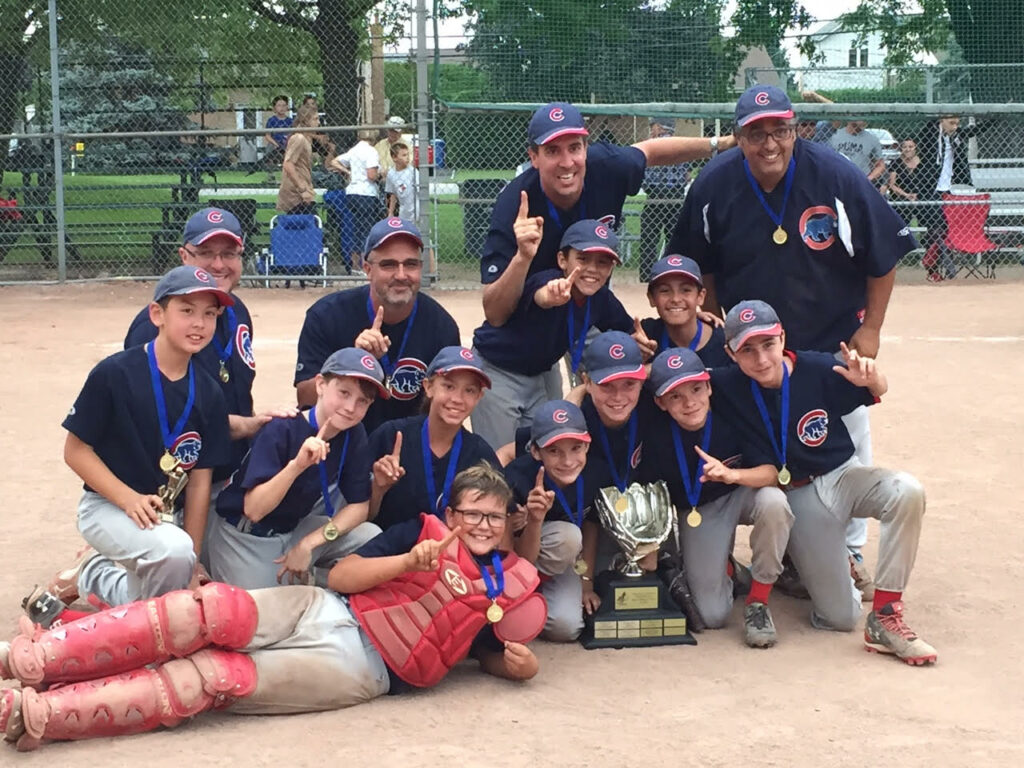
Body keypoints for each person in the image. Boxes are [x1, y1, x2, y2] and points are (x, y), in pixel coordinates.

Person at [0, 464, 545, 752]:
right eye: (473, 513)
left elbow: (485, 652)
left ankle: (46, 716)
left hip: (363, 668)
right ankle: (35, 660)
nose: (482, 525)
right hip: (330, 608)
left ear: (506, 526)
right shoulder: (420, 531)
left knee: (214, 676)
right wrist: (408, 561)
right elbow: (345, 576)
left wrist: (520, 668)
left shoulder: (500, 585)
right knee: (208, 612)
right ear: (453, 512)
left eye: (494, 518)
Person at [668, 84, 917, 589]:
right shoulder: (714, 185)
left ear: (796, 128)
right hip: (751, 353)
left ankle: (845, 552)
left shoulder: (836, 176)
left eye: (779, 130)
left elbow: (884, 255)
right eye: (755, 134)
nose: (769, 144)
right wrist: (713, 322)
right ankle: (766, 554)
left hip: (828, 343)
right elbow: (698, 265)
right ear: (738, 137)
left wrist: (870, 329)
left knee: (844, 447)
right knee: (756, 447)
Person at [710, 300, 934, 665]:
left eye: (768, 344)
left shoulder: (817, 367)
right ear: (730, 353)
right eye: (747, 349)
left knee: (907, 491)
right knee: (839, 618)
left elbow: (879, 387)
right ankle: (818, 561)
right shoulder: (726, 385)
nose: (761, 359)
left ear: (782, 337)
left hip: (843, 475)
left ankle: (886, 616)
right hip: (800, 497)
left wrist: (873, 377)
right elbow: (671, 384)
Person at [36, 266, 232, 623]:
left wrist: (194, 559)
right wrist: (128, 499)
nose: (199, 323)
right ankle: (146, 639)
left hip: (164, 516)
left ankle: (95, 577)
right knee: (172, 554)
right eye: (186, 310)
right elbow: (75, 451)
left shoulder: (208, 391)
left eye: (209, 314)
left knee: (176, 567)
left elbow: (201, 481)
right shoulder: (115, 373)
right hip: (107, 507)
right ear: (157, 314)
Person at [480, 100, 735, 330]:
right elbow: (495, 313)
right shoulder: (514, 205)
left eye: (574, 148)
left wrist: (719, 145)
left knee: (622, 360)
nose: (567, 162)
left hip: (591, 298)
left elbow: (649, 151)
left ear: (586, 148)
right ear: (533, 157)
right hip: (533, 310)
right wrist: (522, 258)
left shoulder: (607, 167)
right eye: (552, 150)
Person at [643, 347, 793, 647]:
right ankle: (731, 571)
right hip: (700, 508)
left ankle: (758, 602)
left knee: (774, 503)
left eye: (697, 389)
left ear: (709, 386)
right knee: (712, 616)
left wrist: (732, 475)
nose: (689, 403)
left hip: (741, 491)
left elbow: (773, 473)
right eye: (675, 396)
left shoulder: (732, 413)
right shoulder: (651, 427)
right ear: (660, 402)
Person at [207, 348, 386, 590]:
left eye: (362, 401)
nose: (351, 407)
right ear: (321, 384)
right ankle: (308, 580)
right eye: (344, 392)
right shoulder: (284, 428)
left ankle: (312, 574)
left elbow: (359, 507)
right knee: (264, 618)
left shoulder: (353, 433)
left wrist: (310, 543)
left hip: (296, 530)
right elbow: (253, 509)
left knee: (369, 536)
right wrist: (297, 466)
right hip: (247, 536)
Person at [470, 218, 636, 450]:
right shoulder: (549, 280)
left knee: (545, 448)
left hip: (542, 373)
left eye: (603, 262)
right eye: (583, 258)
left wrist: (677, 322)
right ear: (562, 260)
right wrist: (551, 295)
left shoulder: (600, 298)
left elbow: (631, 329)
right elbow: (542, 295)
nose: (592, 269)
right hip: (498, 370)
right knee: (501, 456)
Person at [294, 218, 460, 432]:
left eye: (410, 264)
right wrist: (350, 363)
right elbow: (305, 396)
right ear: (367, 268)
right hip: (341, 440)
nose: (401, 275)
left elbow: (449, 408)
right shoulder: (327, 316)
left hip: (408, 446)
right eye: (388, 264)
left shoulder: (441, 327)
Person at [503, 400, 605, 642]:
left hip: (561, 561)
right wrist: (535, 520)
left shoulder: (595, 472)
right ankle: (522, 597)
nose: (568, 461)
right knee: (568, 536)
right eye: (554, 451)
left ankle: (539, 595)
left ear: (587, 445)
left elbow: (591, 525)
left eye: (575, 448)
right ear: (536, 451)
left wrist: (586, 584)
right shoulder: (516, 478)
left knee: (566, 627)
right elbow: (516, 556)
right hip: (518, 560)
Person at [366, 346, 498, 530]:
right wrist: (378, 489)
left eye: (469, 390)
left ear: (479, 397)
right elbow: (359, 516)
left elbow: (496, 523)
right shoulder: (391, 435)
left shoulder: (480, 453)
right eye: (449, 386)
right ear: (428, 387)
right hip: (389, 551)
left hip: (451, 552)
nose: (458, 399)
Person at [915, 115, 982, 282]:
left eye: (957, 123)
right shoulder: (931, 134)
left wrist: (996, 116)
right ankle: (942, 267)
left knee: (944, 229)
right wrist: (938, 121)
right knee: (936, 228)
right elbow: (927, 131)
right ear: (941, 121)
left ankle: (933, 266)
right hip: (930, 188)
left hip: (946, 189)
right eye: (951, 123)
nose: (954, 127)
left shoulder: (955, 137)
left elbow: (974, 131)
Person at [634, 254, 729, 367]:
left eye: (686, 290)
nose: (675, 299)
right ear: (652, 298)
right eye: (665, 290)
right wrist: (632, 358)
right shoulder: (645, 336)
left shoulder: (724, 343)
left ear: (700, 297)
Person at [637, 118, 691, 280]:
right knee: (674, 236)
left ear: (660, 127)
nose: (651, 130)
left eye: (653, 126)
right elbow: (687, 176)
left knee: (649, 236)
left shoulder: (652, 145)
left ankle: (647, 275)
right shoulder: (680, 145)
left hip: (655, 194)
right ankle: (673, 269)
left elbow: (644, 174)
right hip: (676, 194)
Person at [330, 129, 381, 266]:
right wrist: (380, 175)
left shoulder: (353, 150)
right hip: (366, 193)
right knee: (366, 229)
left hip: (351, 192)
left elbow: (334, 162)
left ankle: (354, 264)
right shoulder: (371, 151)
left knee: (355, 229)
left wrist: (348, 172)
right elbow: (371, 175)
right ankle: (365, 265)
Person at [276, 104, 319, 216]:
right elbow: (288, 164)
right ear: (306, 120)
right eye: (315, 119)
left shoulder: (306, 139)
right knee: (307, 225)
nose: (318, 123)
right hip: (296, 193)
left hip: (304, 187)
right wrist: (302, 189)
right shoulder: (298, 138)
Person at [829, 120, 887, 185]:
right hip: (838, 181)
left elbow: (880, 165)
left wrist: (868, 180)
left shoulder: (872, 139)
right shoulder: (834, 136)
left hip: (860, 182)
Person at [384, 141, 418, 219]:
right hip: (404, 212)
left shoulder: (413, 172)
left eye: (408, 154)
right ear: (394, 157)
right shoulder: (391, 174)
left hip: (416, 211)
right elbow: (393, 194)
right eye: (404, 155)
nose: (408, 157)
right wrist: (391, 212)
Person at [375, 115, 414, 180]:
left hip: (400, 178)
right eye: (391, 130)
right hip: (381, 177)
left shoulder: (406, 146)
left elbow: (408, 164)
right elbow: (373, 161)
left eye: (395, 131)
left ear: (401, 132)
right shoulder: (380, 145)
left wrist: (391, 172)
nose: (392, 133)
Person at [263, 95, 292, 172]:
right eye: (279, 105)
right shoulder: (271, 120)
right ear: (275, 108)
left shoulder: (290, 121)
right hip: (275, 144)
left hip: (287, 144)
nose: (282, 108)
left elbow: (293, 134)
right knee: (270, 147)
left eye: (284, 105)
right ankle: (270, 174)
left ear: (287, 107)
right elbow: (267, 136)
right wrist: (276, 144)